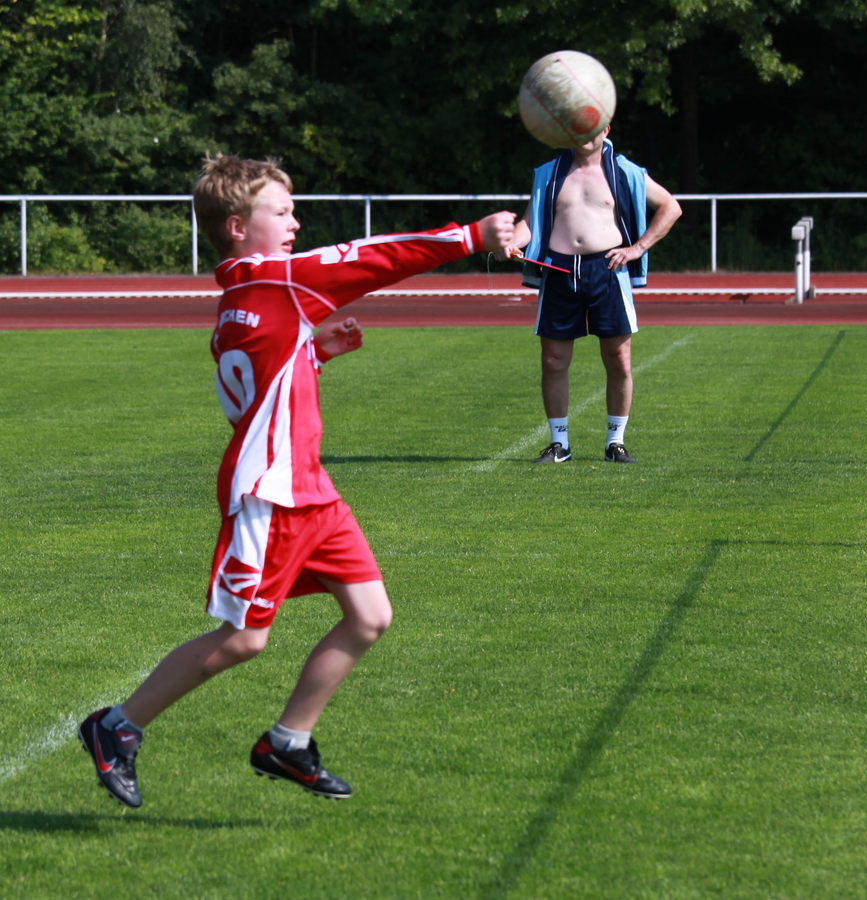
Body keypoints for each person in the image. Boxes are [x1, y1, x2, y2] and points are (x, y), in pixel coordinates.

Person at [78, 153, 515, 808]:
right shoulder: (274, 280)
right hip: (271, 496)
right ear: (235, 227)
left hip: (310, 489)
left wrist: (311, 352)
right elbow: (370, 257)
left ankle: (287, 741)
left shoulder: (239, 300)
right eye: (280, 212)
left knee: (369, 617)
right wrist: (471, 236)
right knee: (242, 638)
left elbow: (256, 393)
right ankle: (115, 727)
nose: (295, 222)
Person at [499, 126, 681, 463]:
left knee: (619, 359)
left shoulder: (625, 170)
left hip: (608, 270)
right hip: (558, 272)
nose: (583, 133)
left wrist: (638, 248)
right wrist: (509, 243)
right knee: (553, 360)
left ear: (606, 127)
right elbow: (530, 223)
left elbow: (671, 207)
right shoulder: (548, 172)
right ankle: (559, 444)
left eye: (591, 124)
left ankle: (616, 442)